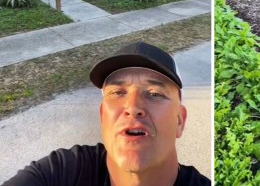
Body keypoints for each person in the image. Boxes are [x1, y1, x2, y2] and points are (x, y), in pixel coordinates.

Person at [2, 42, 210, 186]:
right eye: (118, 92)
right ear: (103, 115)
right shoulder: (62, 172)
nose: (132, 106)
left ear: (180, 121)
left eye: (154, 94)